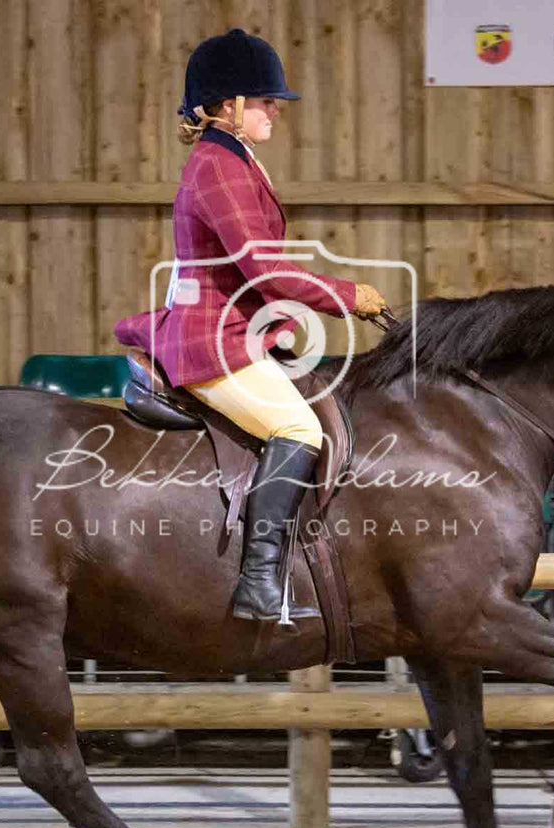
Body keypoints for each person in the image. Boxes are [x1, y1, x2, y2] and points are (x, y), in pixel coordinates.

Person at [115, 28, 388, 623]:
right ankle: (260, 583)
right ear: (228, 105)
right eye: (265, 100)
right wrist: (348, 296)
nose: (275, 110)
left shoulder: (233, 159)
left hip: (239, 332)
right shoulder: (218, 165)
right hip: (212, 343)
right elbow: (264, 268)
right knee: (298, 429)